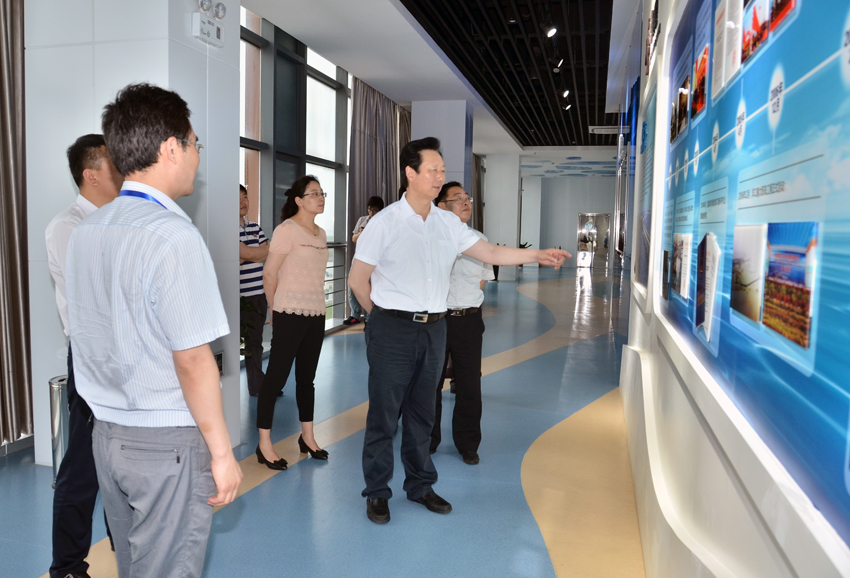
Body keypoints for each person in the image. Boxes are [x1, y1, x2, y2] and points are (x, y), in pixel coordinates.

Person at [64, 83, 242, 578]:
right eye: (195, 143)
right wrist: (222, 453)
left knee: (135, 566)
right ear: (171, 149)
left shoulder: (87, 231)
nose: (197, 156)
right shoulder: (174, 236)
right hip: (166, 444)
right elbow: (192, 359)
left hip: (107, 436)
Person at [349, 137, 569, 525]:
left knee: (422, 413)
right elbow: (357, 279)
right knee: (384, 415)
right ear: (410, 173)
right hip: (392, 328)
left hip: (435, 328)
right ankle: (377, 491)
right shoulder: (384, 223)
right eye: (432, 170)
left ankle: (420, 485)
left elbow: (491, 253)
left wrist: (536, 254)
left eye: (442, 170)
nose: (439, 176)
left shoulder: (447, 223)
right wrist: (381, 321)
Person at [45, 134, 122, 578]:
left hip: (125, 356)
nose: (122, 169)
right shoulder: (68, 226)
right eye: (113, 163)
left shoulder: (117, 220)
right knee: (83, 465)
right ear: (91, 174)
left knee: (122, 459)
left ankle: (125, 548)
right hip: (94, 359)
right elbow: (96, 296)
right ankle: (68, 566)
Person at [256, 175, 330, 468]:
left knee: (306, 380)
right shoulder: (286, 230)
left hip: (316, 313)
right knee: (275, 378)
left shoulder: (321, 234)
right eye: (313, 194)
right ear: (298, 200)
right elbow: (269, 273)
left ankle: (307, 437)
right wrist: (275, 309)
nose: (320, 198)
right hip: (288, 312)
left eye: (321, 193)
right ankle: (264, 444)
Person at [430, 182, 493, 465]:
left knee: (469, 385)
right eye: (458, 198)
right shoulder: (431, 240)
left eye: (467, 198)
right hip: (437, 321)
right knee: (430, 383)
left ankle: (467, 443)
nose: (466, 202)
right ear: (442, 206)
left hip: (468, 321)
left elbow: (481, 280)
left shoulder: (479, 240)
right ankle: (428, 439)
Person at [239, 184, 269, 396]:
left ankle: (257, 386)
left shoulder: (255, 227)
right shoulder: (227, 228)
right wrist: (255, 253)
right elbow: (257, 254)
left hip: (258, 294)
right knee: (234, 344)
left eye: (245, 197)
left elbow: (269, 251)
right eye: (238, 198)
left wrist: (247, 254)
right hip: (238, 296)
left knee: (255, 343)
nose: (243, 202)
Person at [344, 195, 385, 326]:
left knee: (370, 288)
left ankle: (368, 317)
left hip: (374, 260)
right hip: (359, 258)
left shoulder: (384, 223)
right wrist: (362, 233)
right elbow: (354, 239)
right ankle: (355, 314)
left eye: (375, 210)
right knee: (352, 285)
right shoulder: (363, 220)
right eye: (370, 210)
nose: (371, 213)